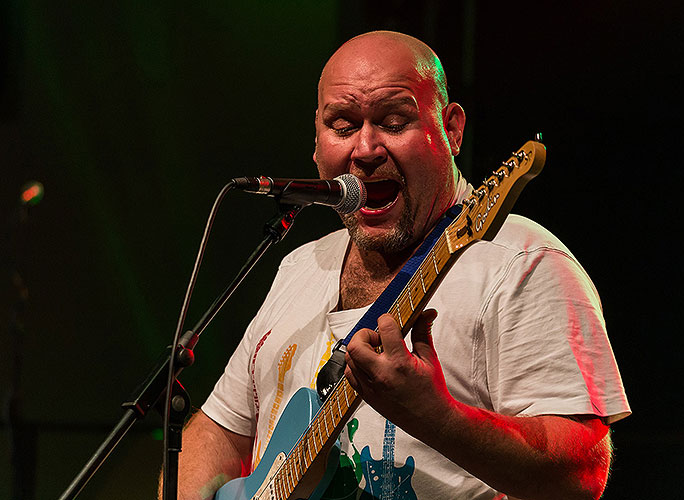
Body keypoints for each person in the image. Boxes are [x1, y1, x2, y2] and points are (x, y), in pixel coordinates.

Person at [167, 31, 630, 500]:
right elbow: (219, 431)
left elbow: (579, 478)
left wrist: (438, 418)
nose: (365, 149)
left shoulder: (521, 264)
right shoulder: (300, 266)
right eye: (342, 126)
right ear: (316, 140)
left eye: (393, 121)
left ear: (451, 129)